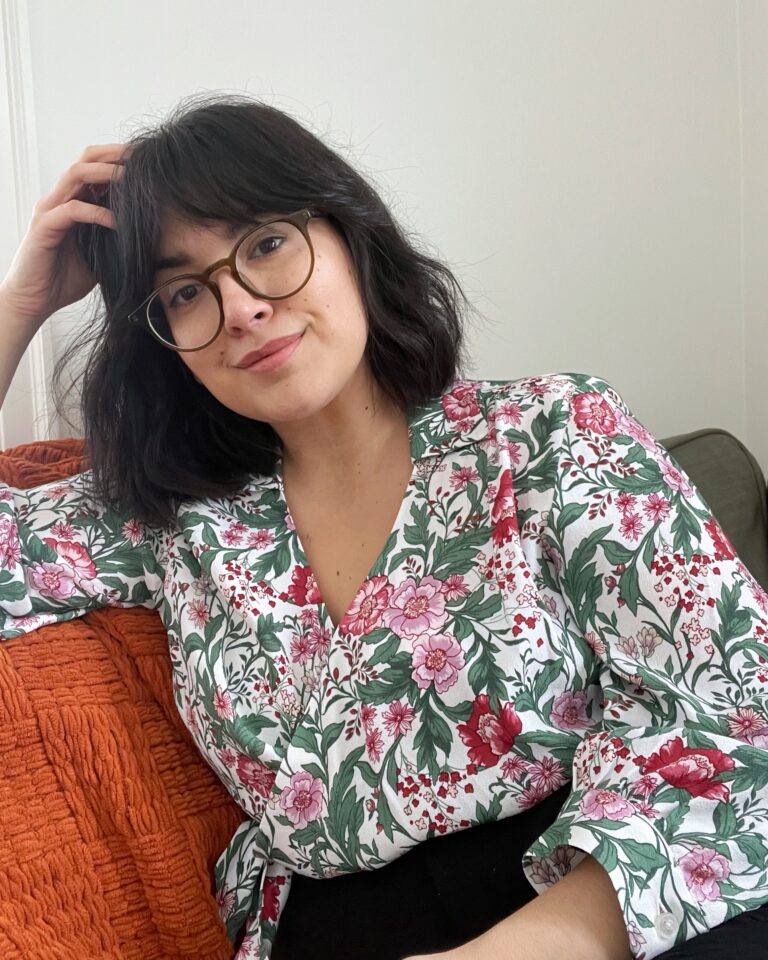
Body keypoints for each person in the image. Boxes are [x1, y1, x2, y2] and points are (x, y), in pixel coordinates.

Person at [0, 94, 767, 960]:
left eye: (266, 244)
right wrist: (21, 302)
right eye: (184, 290)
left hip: (612, 906)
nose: (243, 306)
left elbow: (736, 713)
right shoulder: (178, 523)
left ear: (348, 235)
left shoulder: (552, 433)